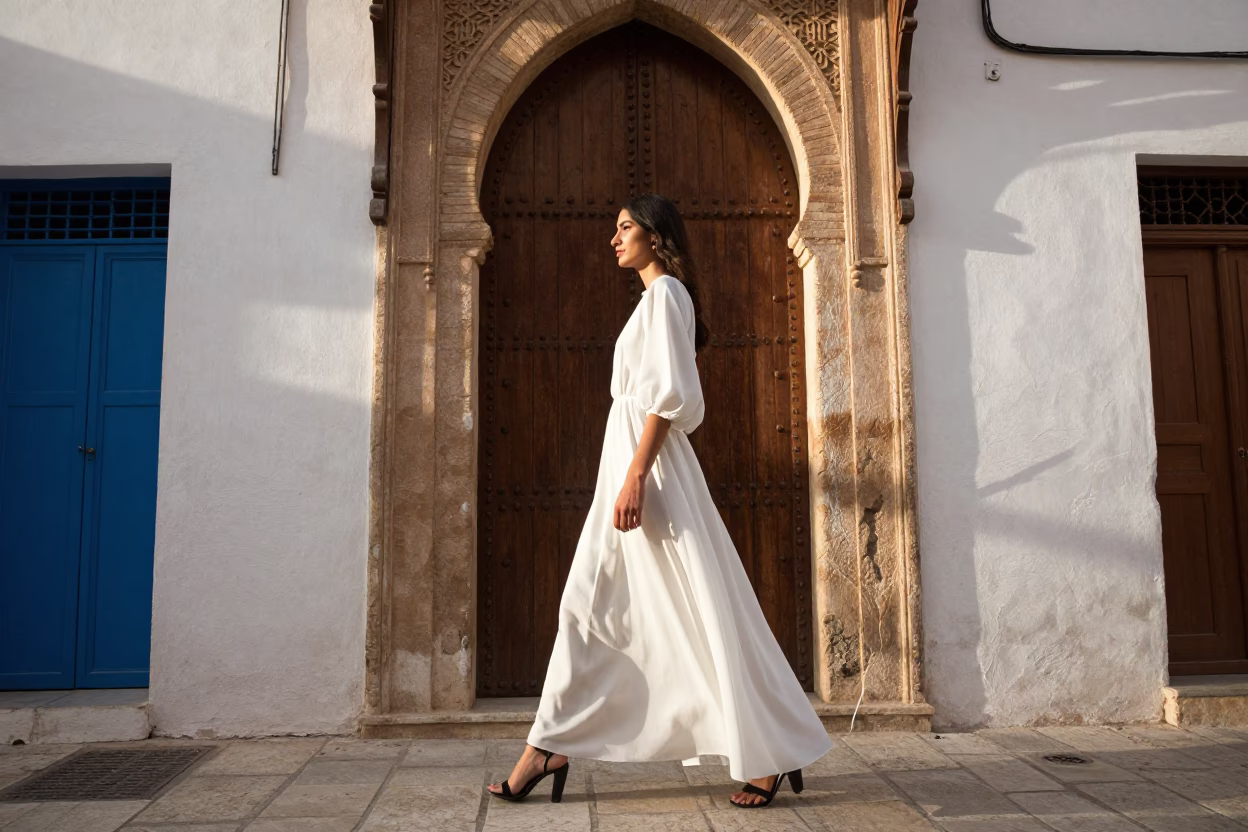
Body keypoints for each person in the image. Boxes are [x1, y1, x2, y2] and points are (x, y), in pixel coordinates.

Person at [487, 193, 832, 809]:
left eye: (625, 228)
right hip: (627, 465)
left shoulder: (668, 295)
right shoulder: (654, 301)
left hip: (647, 471)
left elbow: (670, 395)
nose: (614, 239)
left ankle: (768, 750)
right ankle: (548, 745)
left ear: (655, 235)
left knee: (702, 606)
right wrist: (626, 473)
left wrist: (637, 476)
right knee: (590, 607)